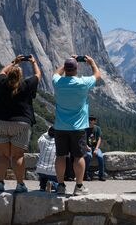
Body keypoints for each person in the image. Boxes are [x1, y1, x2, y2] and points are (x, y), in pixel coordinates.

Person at [0, 55, 40, 193]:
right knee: (18, 155)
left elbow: (1, 72)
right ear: (20, 76)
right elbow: (38, 74)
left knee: (2, 155)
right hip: (21, 123)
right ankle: (20, 184)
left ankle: (0, 183)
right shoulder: (27, 85)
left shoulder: (2, 82)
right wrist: (33, 62)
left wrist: (14, 61)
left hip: (0, 121)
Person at [53, 56, 100, 196]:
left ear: (66, 69)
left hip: (60, 126)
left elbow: (56, 73)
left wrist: (66, 62)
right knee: (78, 157)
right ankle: (78, 187)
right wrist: (92, 62)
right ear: (76, 68)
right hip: (78, 128)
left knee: (60, 156)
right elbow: (97, 75)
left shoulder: (57, 82)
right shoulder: (83, 83)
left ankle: (60, 185)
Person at [36, 126, 58, 192]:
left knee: (43, 176)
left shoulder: (42, 139)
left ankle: (42, 186)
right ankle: (53, 184)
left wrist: (48, 130)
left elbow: (40, 140)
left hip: (40, 169)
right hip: (53, 171)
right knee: (57, 181)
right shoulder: (59, 142)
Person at [84, 116, 106, 181]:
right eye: (90, 119)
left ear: (95, 121)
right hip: (87, 147)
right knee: (88, 156)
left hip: (95, 147)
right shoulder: (85, 129)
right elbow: (82, 138)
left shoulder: (97, 128)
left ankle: (101, 175)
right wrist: (86, 147)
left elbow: (99, 139)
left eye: (93, 120)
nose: (91, 121)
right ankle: (86, 174)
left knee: (100, 157)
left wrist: (96, 148)